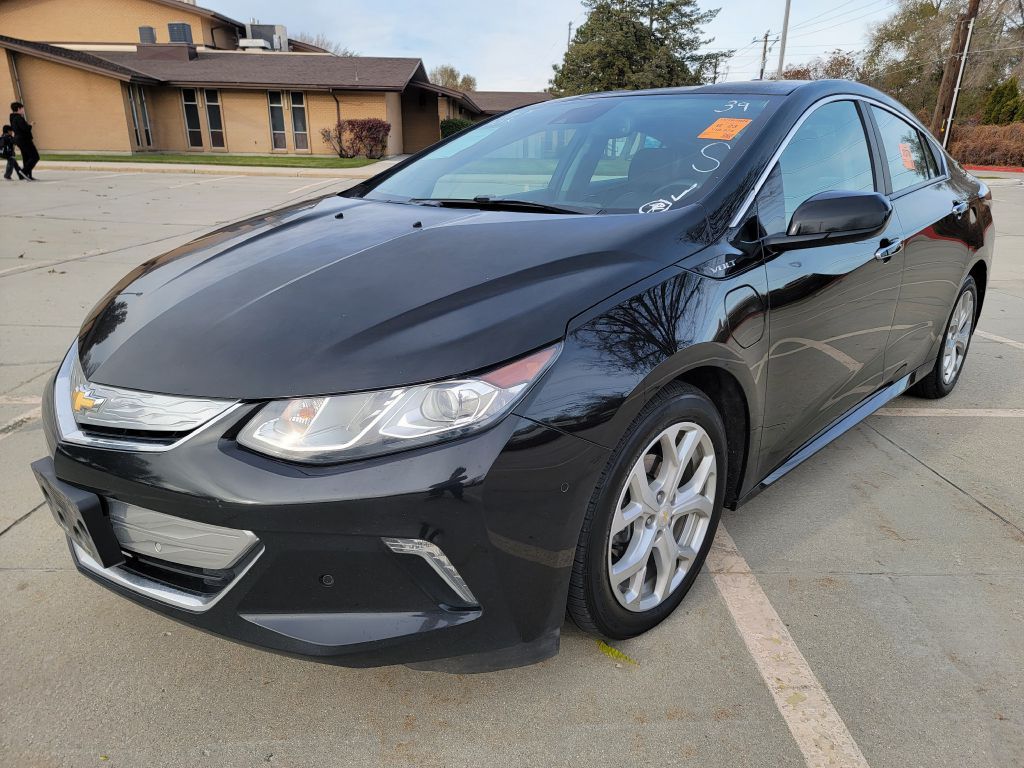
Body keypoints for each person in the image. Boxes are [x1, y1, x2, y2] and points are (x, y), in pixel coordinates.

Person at [9, 102, 38, 180]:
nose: (23, 110)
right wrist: (31, 125)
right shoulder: (18, 118)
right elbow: (25, 129)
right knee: (35, 157)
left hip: (19, 140)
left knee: (26, 157)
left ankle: (27, 176)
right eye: (22, 108)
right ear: (18, 109)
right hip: (24, 140)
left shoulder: (12, 118)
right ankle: (24, 172)